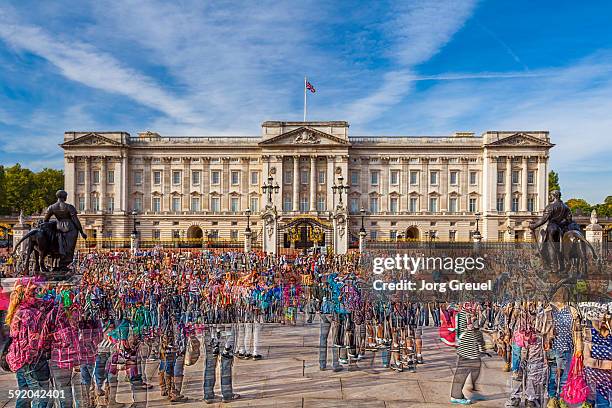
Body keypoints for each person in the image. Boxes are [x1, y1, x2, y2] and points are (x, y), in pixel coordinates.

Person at [450, 303, 486, 405]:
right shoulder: (462, 315)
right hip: (467, 349)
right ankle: (456, 395)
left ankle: (472, 390)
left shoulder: (470, 313)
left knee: (476, 368)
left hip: (472, 349)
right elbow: (463, 331)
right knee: (462, 372)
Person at [43, 189, 87, 272]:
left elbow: (45, 221)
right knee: (69, 248)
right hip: (70, 228)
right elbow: (75, 220)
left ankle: (58, 264)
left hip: (58, 227)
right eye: (66, 196)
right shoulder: (69, 207)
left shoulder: (51, 207)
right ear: (64, 197)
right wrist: (81, 232)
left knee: (59, 247)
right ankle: (63, 264)